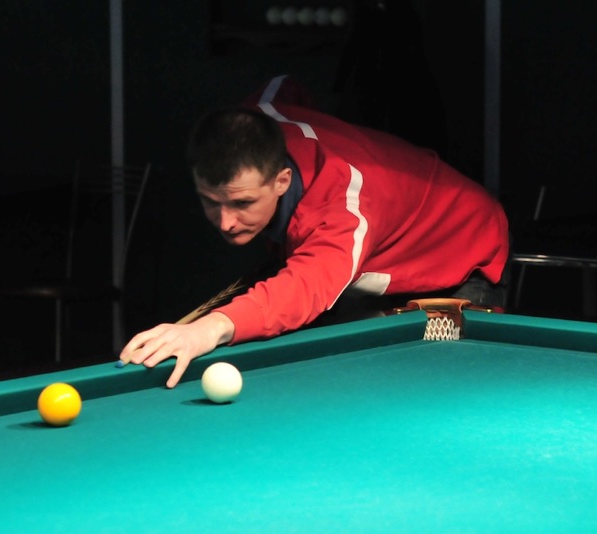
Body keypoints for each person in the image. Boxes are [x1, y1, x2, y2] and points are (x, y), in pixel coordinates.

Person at [119, 74, 511, 388]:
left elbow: (306, 288)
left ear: (282, 180)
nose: (226, 222)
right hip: (367, 243)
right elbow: (283, 85)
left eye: (242, 203)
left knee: (426, 390)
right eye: (210, 201)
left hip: (460, 249)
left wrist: (210, 328)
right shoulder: (256, 120)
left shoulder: (343, 207)